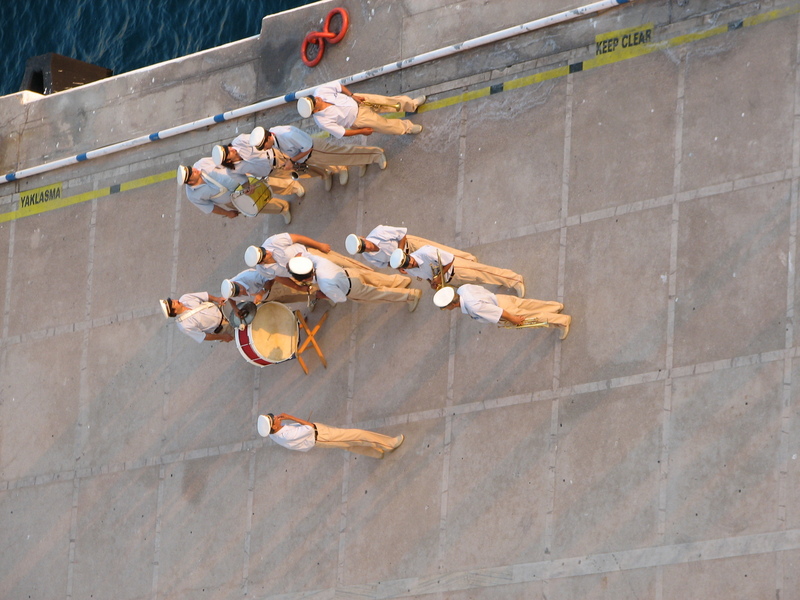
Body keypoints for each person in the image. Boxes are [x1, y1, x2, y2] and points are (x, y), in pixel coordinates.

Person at [250, 125, 388, 187]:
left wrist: (292, 161)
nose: (265, 149)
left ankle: (376, 154)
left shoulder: (287, 135)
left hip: (316, 150)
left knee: (344, 153)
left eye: (264, 146)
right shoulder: (274, 137)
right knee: (343, 157)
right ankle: (362, 162)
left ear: (268, 138)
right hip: (310, 155)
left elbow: (308, 147)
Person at [288, 255, 421, 312]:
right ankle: (402, 281)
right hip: (351, 273)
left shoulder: (323, 285)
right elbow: (306, 256)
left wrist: (321, 295)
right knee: (379, 279)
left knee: (380, 293)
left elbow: (341, 298)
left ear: (305, 279)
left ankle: (411, 295)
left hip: (353, 289)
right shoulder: (319, 261)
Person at [433, 284, 571, 339]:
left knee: (532, 318)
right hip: (498, 298)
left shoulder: (473, 307)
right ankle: (554, 307)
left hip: (504, 310)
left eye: (445, 307)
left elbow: (498, 312)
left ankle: (562, 321)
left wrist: (513, 319)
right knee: (529, 304)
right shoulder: (463, 289)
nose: (447, 310)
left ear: (452, 304)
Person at [297, 80, 426, 138]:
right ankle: (408, 128)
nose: (317, 98)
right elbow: (342, 132)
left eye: (313, 98)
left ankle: (412, 104)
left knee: (387, 102)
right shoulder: (322, 121)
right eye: (315, 101)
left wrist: (352, 95)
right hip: (359, 119)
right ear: (314, 111)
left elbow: (338, 86)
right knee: (385, 126)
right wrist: (361, 131)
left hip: (359, 100)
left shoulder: (319, 91)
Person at [177, 159, 291, 223]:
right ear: (189, 181)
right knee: (260, 205)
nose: (195, 170)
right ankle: (283, 209)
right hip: (234, 199)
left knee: (269, 184)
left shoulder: (202, 163)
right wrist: (227, 213)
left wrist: (243, 172)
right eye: (192, 173)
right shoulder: (193, 196)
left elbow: (224, 162)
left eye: (191, 169)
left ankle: (293, 188)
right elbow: (210, 207)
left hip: (242, 180)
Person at [390, 246, 525, 296]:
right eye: (407, 265)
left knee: (486, 272)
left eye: (409, 259)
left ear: (407, 254)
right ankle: (502, 280)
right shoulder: (410, 270)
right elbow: (427, 276)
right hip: (451, 281)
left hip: (457, 269)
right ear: (403, 268)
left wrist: (439, 277)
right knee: (482, 280)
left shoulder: (426, 252)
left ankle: (514, 280)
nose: (411, 263)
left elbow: (450, 259)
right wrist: (432, 283)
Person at [257, 413, 404, 459]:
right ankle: (389, 444)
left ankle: (376, 453)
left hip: (319, 437)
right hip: (321, 435)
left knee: (349, 445)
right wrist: (291, 417)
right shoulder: (286, 434)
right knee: (358, 435)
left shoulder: (274, 434)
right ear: (274, 426)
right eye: (274, 419)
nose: (277, 417)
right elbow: (310, 427)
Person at [211, 134, 305, 198]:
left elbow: (259, 138)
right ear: (228, 161)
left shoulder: (240, 140)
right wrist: (248, 188)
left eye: (227, 148)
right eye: (229, 152)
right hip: (271, 172)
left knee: (303, 165)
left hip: (277, 154)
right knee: (284, 182)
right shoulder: (231, 171)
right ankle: (295, 188)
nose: (231, 149)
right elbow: (244, 181)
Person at [345, 225, 476, 269]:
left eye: (364, 244)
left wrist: (399, 252)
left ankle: (467, 259)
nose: (367, 248)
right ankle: (461, 268)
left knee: (440, 252)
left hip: (410, 246)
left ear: (362, 238)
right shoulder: (368, 257)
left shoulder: (379, 232)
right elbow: (385, 264)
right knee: (434, 267)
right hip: (406, 261)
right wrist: (399, 266)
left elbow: (402, 234)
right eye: (363, 249)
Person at [220, 269, 308, 318]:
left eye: (239, 288)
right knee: (294, 298)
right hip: (267, 298)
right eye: (238, 294)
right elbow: (231, 298)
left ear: (235, 282)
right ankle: (312, 298)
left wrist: (261, 292)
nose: (241, 291)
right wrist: (235, 309)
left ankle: (313, 290)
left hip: (274, 287)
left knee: (298, 290)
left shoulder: (251, 277)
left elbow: (271, 277)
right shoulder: (232, 294)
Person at [159, 292, 234, 343]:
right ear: (174, 311)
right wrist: (223, 337)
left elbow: (205, 296)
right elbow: (203, 336)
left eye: (173, 300)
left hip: (222, 309)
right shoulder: (184, 326)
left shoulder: (185, 297)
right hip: (224, 328)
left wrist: (217, 299)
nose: (176, 300)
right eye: (174, 303)